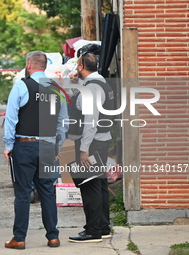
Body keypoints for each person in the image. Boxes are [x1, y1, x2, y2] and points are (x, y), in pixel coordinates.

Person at [3, 51, 68, 249]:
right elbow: (63, 123)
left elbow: (11, 118)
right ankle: (53, 237)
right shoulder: (57, 89)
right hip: (48, 148)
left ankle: (19, 238)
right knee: (48, 192)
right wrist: (57, 146)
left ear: (29, 65)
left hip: (25, 145)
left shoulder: (22, 86)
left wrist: (8, 146)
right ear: (44, 67)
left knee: (23, 193)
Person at [67, 52, 113, 243]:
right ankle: (102, 227)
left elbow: (90, 122)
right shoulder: (100, 83)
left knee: (90, 186)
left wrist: (84, 149)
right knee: (100, 185)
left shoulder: (92, 88)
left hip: (92, 143)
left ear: (81, 66)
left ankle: (93, 230)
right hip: (101, 141)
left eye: (77, 64)